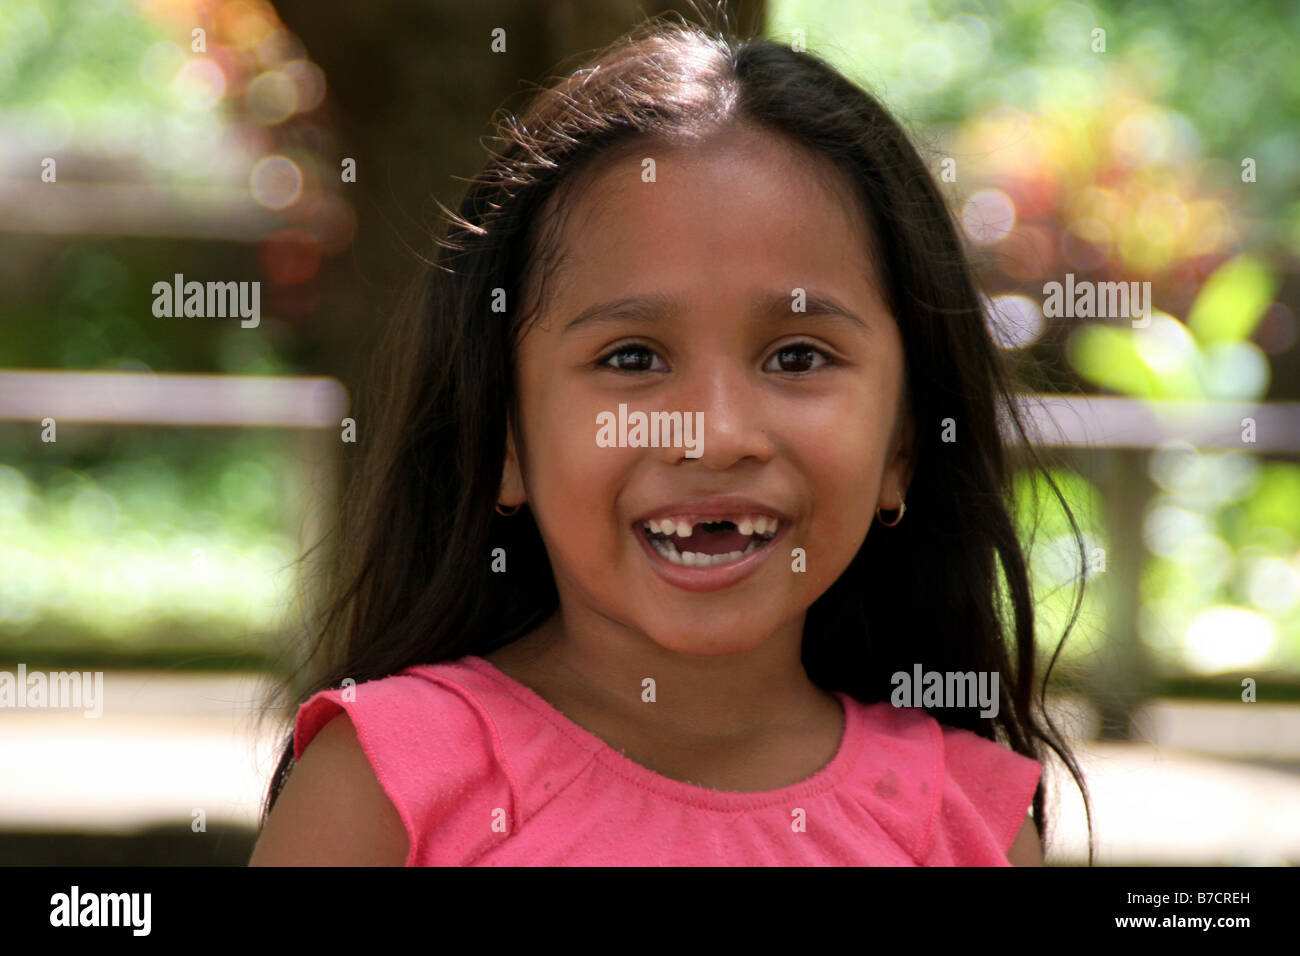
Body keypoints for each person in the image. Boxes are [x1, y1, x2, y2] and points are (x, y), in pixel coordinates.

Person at [250, 12, 1091, 867]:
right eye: (633, 357)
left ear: (903, 446)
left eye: (798, 357)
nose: (715, 434)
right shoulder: (387, 783)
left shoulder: (966, 823)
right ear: (506, 438)